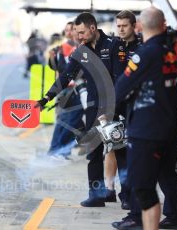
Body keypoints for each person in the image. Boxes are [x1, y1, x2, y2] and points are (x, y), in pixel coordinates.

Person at [115, 7, 177, 230]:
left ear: (139, 26)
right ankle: (176, 219)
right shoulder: (171, 54)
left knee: (142, 187)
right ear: (163, 25)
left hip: (147, 130)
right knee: (166, 176)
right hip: (170, 127)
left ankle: (141, 221)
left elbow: (120, 89)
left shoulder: (145, 54)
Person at [36, 12, 116, 207]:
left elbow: (123, 78)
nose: (78, 37)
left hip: (115, 107)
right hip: (93, 109)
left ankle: (128, 198)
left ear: (92, 28)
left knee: (120, 153)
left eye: (81, 32)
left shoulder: (114, 46)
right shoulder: (81, 51)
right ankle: (96, 196)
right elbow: (65, 76)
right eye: (76, 33)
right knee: (93, 153)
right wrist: (46, 97)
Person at [104, 10, 142, 214]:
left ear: (134, 26)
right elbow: (106, 75)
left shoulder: (142, 47)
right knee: (115, 149)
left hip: (136, 107)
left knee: (132, 152)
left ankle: (129, 194)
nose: (120, 29)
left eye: (124, 26)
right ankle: (117, 192)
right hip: (115, 106)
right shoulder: (113, 46)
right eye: (118, 25)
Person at [46, 22, 84, 159]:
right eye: (67, 30)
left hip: (78, 89)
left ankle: (61, 150)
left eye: (72, 29)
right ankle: (57, 150)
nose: (69, 32)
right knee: (66, 120)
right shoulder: (61, 48)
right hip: (66, 90)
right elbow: (58, 68)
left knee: (72, 121)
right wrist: (52, 57)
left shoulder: (80, 46)